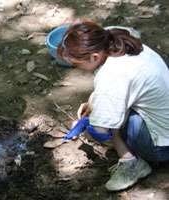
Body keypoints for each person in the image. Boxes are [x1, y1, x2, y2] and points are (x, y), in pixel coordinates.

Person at [57, 18, 169, 191]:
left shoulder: (111, 77)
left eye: (77, 64)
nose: (75, 67)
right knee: (112, 110)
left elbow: (100, 132)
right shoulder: (120, 39)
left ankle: (131, 163)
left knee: (108, 126)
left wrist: (87, 129)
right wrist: (93, 101)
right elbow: (121, 87)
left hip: (161, 146)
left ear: (94, 57)